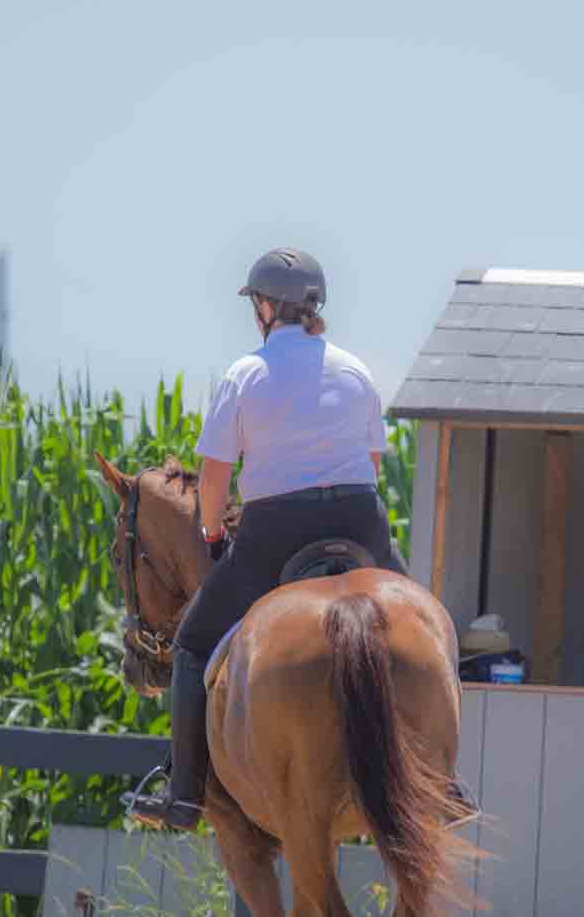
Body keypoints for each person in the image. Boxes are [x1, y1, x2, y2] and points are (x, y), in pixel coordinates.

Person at [125, 248, 402, 830]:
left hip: (277, 529)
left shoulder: (245, 374)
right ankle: (446, 781)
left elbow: (215, 479)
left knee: (194, 644)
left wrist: (211, 532)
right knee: (424, 624)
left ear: (267, 308)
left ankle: (184, 794)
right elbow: (373, 463)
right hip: (360, 519)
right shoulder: (355, 370)